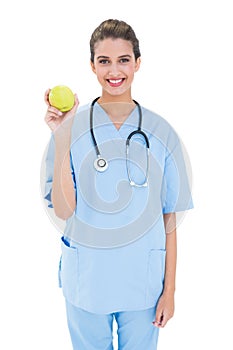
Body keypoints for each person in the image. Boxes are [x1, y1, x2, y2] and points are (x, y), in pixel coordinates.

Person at [43, 19, 193, 350]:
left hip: (142, 282)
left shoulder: (161, 131)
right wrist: (63, 136)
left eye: (123, 59)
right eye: (104, 61)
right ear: (92, 65)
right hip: (88, 280)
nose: (115, 70)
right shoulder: (70, 129)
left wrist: (170, 291)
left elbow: (170, 219)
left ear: (138, 63)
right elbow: (66, 210)